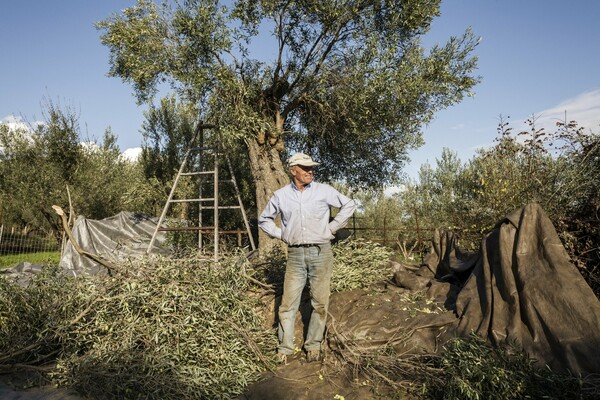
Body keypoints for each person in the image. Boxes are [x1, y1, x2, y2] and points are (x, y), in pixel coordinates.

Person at [258, 152, 356, 364]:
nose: (310, 171)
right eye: (305, 168)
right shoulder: (281, 196)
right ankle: (285, 348)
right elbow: (264, 220)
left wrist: (332, 227)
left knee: (319, 302)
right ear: (293, 170)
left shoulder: (324, 191)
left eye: (311, 167)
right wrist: (280, 234)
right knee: (287, 304)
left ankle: (313, 345)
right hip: (295, 255)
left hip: (321, 253)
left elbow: (349, 204)